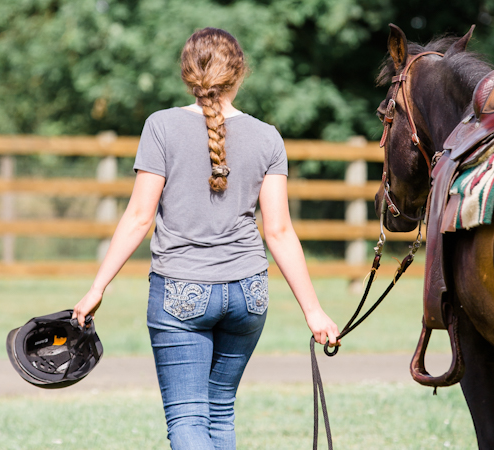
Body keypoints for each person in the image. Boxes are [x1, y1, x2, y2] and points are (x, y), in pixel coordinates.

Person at [72, 27, 341, 449]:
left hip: (181, 291)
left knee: (188, 421)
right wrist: (314, 311)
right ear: (240, 74)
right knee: (219, 414)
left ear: (186, 74)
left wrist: (96, 287)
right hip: (249, 294)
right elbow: (279, 231)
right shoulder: (267, 136)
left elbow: (140, 216)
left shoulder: (161, 127)